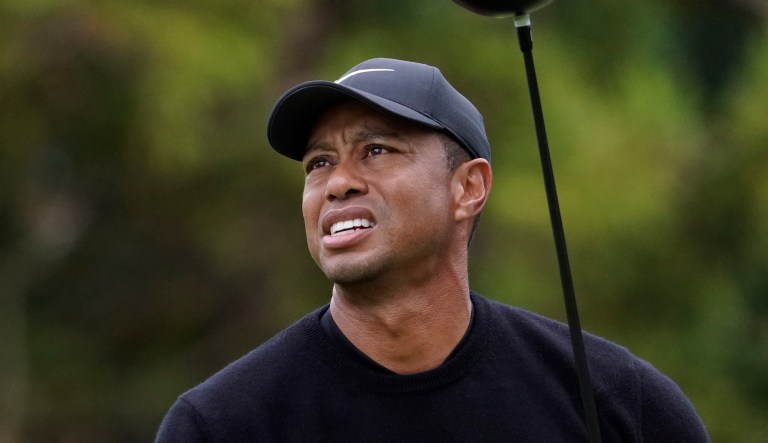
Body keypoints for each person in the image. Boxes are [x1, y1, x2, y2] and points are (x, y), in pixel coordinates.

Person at [155, 58, 709, 442]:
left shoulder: (617, 401)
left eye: (375, 150)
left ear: (468, 188)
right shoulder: (221, 424)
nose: (337, 182)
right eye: (319, 163)